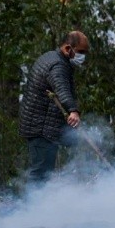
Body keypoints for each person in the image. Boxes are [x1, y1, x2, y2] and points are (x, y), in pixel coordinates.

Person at [18, 31, 89, 182]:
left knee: (43, 172)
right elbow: (62, 89)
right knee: (40, 174)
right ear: (68, 49)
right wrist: (73, 111)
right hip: (41, 128)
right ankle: (32, 205)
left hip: (41, 125)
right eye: (80, 52)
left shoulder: (53, 58)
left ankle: (39, 203)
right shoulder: (57, 65)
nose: (83, 56)